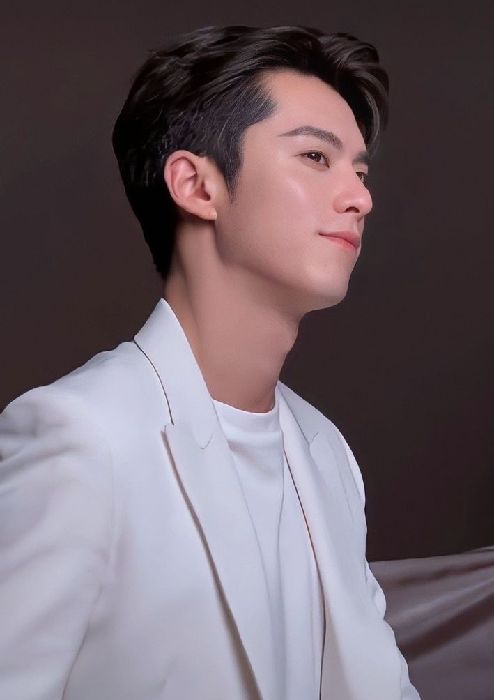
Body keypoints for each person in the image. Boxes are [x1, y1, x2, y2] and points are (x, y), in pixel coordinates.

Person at [0, 25, 421, 700]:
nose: (360, 198)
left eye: (361, 172)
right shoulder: (81, 439)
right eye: (316, 157)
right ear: (196, 186)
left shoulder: (327, 455)